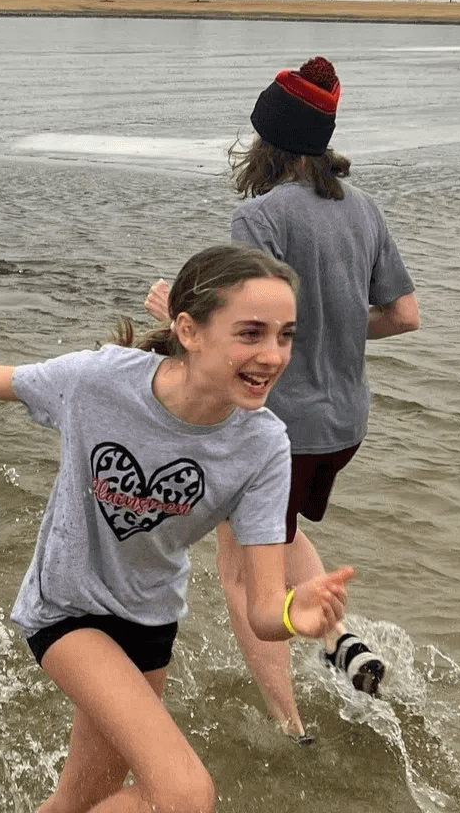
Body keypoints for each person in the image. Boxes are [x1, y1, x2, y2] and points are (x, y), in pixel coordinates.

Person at [0, 244, 355, 813]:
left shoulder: (263, 446)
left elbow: (262, 610)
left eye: (285, 335)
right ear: (189, 331)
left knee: (81, 799)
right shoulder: (99, 382)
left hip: (149, 621)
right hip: (67, 610)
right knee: (184, 796)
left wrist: (296, 613)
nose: (273, 355)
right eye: (251, 334)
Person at [145, 57, 418, 736]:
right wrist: (339, 329)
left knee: (243, 580)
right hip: (345, 426)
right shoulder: (365, 210)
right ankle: (341, 643)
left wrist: (172, 312)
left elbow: (241, 338)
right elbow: (405, 314)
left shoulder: (259, 217)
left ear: (268, 143)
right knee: (285, 529)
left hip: (279, 429)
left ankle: (289, 726)